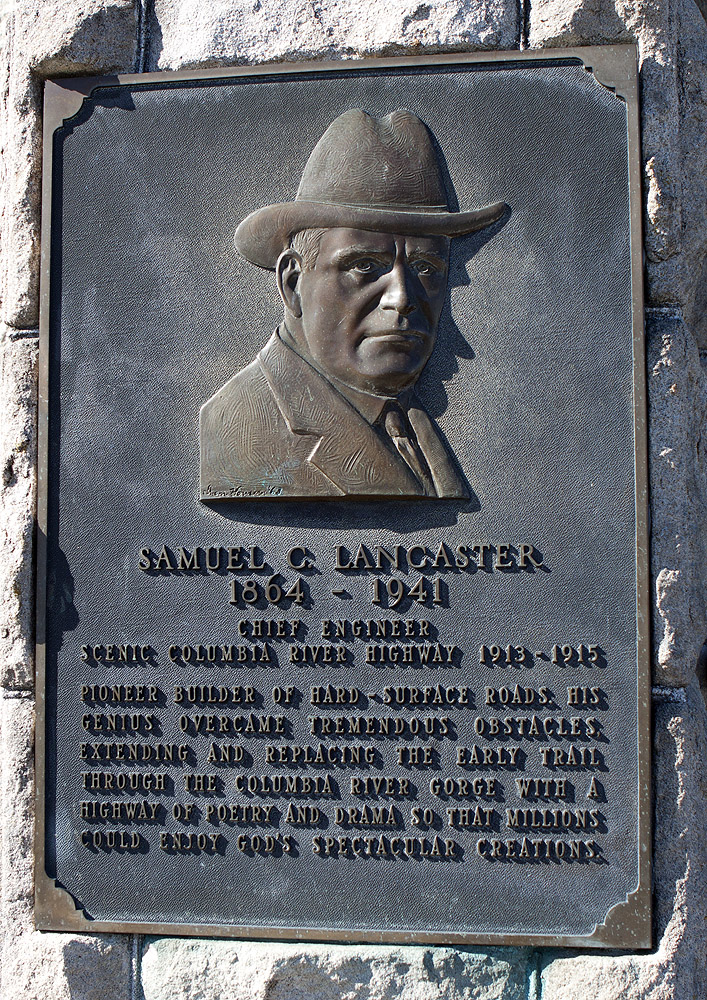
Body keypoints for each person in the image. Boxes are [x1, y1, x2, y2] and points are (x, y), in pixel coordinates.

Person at [200, 108, 505, 500]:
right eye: (364, 265)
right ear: (293, 283)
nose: (402, 298)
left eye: (426, 268)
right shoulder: (237, 427)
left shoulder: (411, 421)